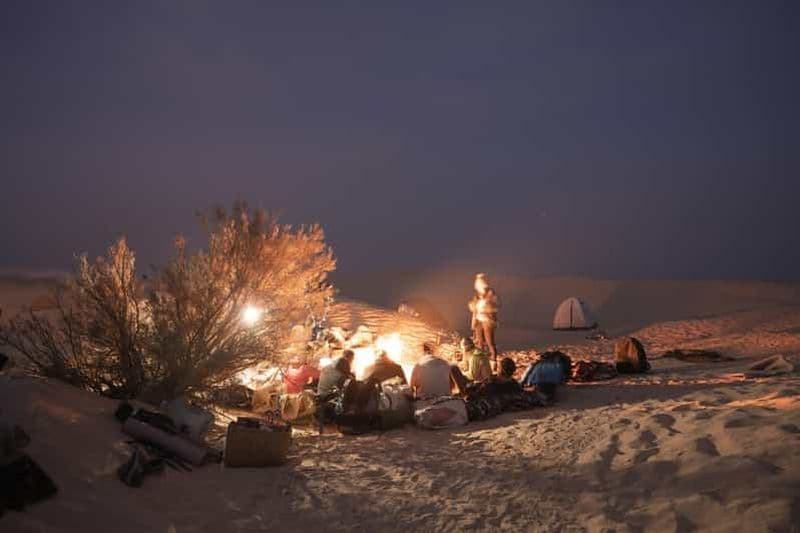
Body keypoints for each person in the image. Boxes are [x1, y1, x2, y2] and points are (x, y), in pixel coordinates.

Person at [469, 273, 500, 367]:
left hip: (487, 321)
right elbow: (474, 310)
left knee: (490, 342)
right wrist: (473, 323)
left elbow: (494, 307)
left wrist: (486, 310)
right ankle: (482, 364)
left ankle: (493, 363)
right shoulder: (477, 297)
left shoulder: (491, 295)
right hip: (479, 321)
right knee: (479, 343)